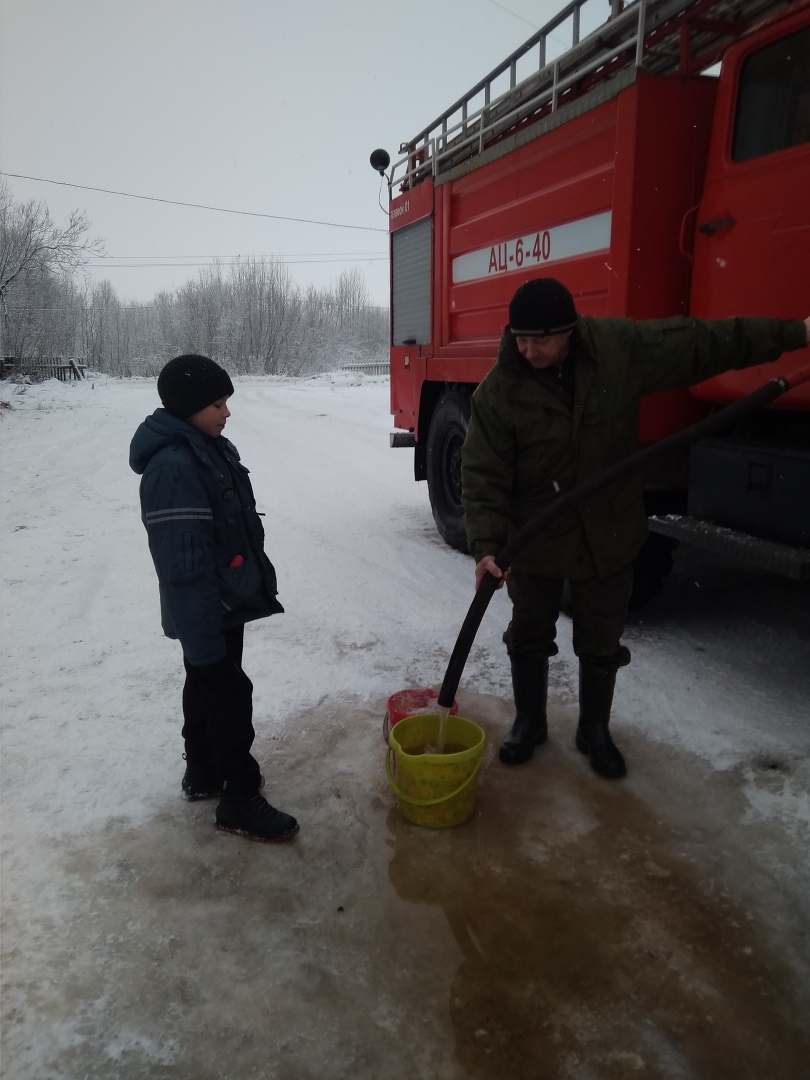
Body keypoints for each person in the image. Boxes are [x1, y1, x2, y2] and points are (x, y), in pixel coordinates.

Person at [461, 278, 810, 779]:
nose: (527, 349)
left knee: (602, 640)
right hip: (534, 538)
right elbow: (482, 474)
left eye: (540, 339)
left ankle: (593, 731)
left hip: (608, 531)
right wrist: (487, 547)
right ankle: (530, 721)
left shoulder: (617, 351)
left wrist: (795, 334)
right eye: (519, 337)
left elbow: (700, 343)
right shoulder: (500, 391)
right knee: (529, 633)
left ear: (570, 331)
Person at [129, 354, 299, 841]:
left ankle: (203, 773)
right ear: (187, 409)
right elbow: (183, 566)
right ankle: (239, 797)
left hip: (222, 600)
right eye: (217, 403)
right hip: (205, 605)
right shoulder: (174, 466)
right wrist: (204, 625)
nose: (227, 412)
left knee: (203, 686)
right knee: (226, 692)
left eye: (226, 401)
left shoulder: (206, 446)